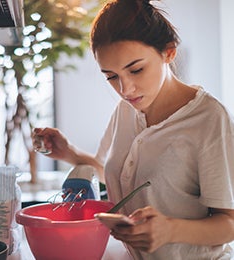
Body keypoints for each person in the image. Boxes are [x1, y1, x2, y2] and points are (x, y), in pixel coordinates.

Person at [32, 0, 234, 259]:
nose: (125, 89)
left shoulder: (209, 120)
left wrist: (171, 230)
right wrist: (69, 153)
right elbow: (118, 179)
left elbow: (229, 223)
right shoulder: (126, 109)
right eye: (111, 76)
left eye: (136, 70)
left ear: (168, 53)